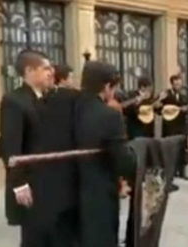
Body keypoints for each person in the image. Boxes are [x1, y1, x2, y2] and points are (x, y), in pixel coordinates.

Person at [0, 50, 78, 247]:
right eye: (45, 68)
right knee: (34, 239)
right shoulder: (14, 101)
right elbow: (11, 146)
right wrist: (19, 184)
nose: (51, 72)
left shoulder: (45, 98)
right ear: (29, 70)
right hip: (31, 185)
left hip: (50, 183)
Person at [74, 61, 136, 247]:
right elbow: (124, 161)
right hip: (98, 194)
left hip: (66, 192)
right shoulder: (109, 116)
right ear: (107, 86)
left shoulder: (65, 108)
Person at [158, 75, 188, 180]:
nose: (178, 85)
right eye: (176, 84)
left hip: (181, 126)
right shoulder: (166, 94)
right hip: (170, 126)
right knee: (170, 149)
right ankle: (169, 172)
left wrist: (186, 110)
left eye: (180, 84)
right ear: (172, 83)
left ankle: (182, 172)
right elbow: (159, 109)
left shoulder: (183, 96)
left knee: (182, 148)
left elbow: (187, 109)